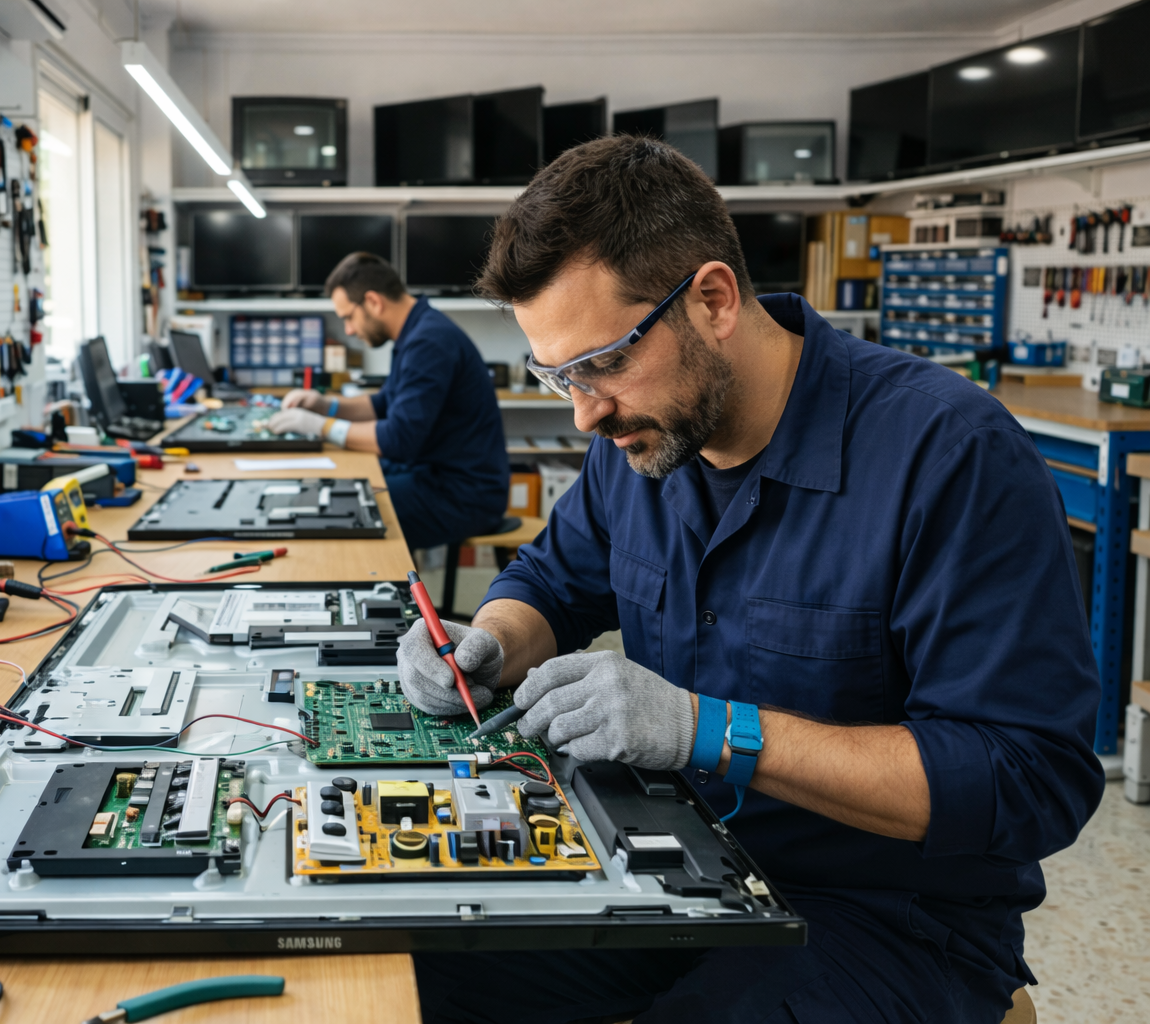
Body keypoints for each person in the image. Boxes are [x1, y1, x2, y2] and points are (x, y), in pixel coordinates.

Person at [396, 135, 1105, 1023]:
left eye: (603, 363)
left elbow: (1029, 779)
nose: (584, 412)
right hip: (670, 858)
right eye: (558, 374)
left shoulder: (949, 454)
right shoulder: (642, 440)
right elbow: (551, 580)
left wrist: (710, 731)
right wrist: (488, 641)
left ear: (714, 300)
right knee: (402, 969)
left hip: (886, 920)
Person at [270, 252, 510, 552]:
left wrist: (321, 426)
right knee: (339, 485)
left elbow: (398, 439)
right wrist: (326, 405)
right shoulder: (417, 330)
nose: (348, 330)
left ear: (373, 301)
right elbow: (384, 403)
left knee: (344, 509)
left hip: (464, 496)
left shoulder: (429, 342)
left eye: (348, 317)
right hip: (433, 474)